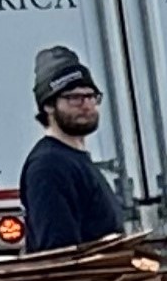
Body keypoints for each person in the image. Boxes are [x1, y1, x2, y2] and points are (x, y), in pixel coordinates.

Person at [19, 45, 123, 251]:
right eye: (74, 98)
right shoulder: (49, 166)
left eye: (91, 96)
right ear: (48, 105)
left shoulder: (76, 159)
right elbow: (58, 253)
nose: (86, 104)